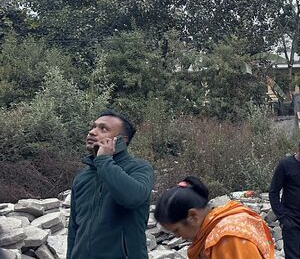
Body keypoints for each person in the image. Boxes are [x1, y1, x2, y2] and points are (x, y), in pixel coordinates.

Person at [68, 110, 154, 259]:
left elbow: (132, 198)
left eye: (103, 129)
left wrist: (103, 161)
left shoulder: (139, 168)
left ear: (122, 139)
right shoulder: (82, 177)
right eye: (93, 127)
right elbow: (74, 229)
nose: (92, 132)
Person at [155, 176, 275, 259]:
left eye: (176, 230)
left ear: (193, 216)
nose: (177, 236)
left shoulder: (228, 238)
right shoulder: (213, 229)